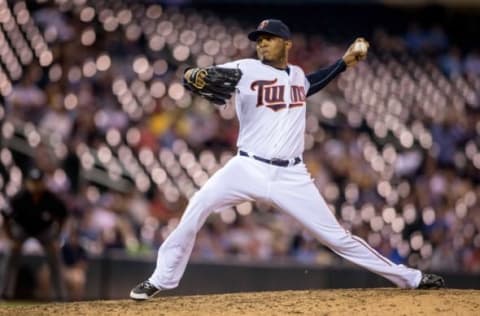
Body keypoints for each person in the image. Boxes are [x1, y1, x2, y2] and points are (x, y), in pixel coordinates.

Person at [130, 19, 445, 300]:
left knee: (338, 238)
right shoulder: (245, 68)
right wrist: (190, 74)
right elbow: (199, 77)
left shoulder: (296, 75)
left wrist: (344, 62)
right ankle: (159, 280)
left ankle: (411, 278)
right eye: (259, 39)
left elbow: (313, 82)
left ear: (287, 44)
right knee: (197, 206)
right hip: (246, 167)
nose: (262, 43)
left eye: (269, 38)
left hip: (292, 176)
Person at [0, 168, 68, 301]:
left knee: (55, 256)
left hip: (44, 230)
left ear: (44, 183)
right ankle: (4, 294)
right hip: (22, 229)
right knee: (11, 255)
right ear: (28, 182)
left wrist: (56, 238)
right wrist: (11, 239)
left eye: (38, 182)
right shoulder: (19, 197)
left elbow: (63, 217)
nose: (35, 185)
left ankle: (60, 297)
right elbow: (6, 219)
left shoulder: (51, 198)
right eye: (33, 182)